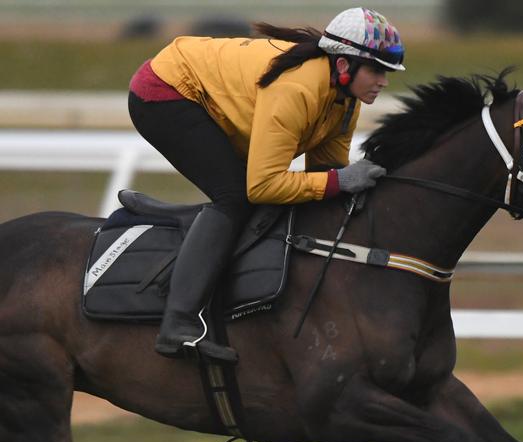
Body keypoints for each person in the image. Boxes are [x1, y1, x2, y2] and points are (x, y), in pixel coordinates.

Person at [128, 7, 405, 363]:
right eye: (377, 70)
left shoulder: (344, 101)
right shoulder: (298, 89)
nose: (383, 81)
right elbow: (263, 186)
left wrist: (345, 183)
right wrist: (338, 181)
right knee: (235, 198)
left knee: (292, 197)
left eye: (388, 73)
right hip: (165, 91)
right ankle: (177, 323)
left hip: (210, 95)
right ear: (342, 65)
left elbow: (327, 174)